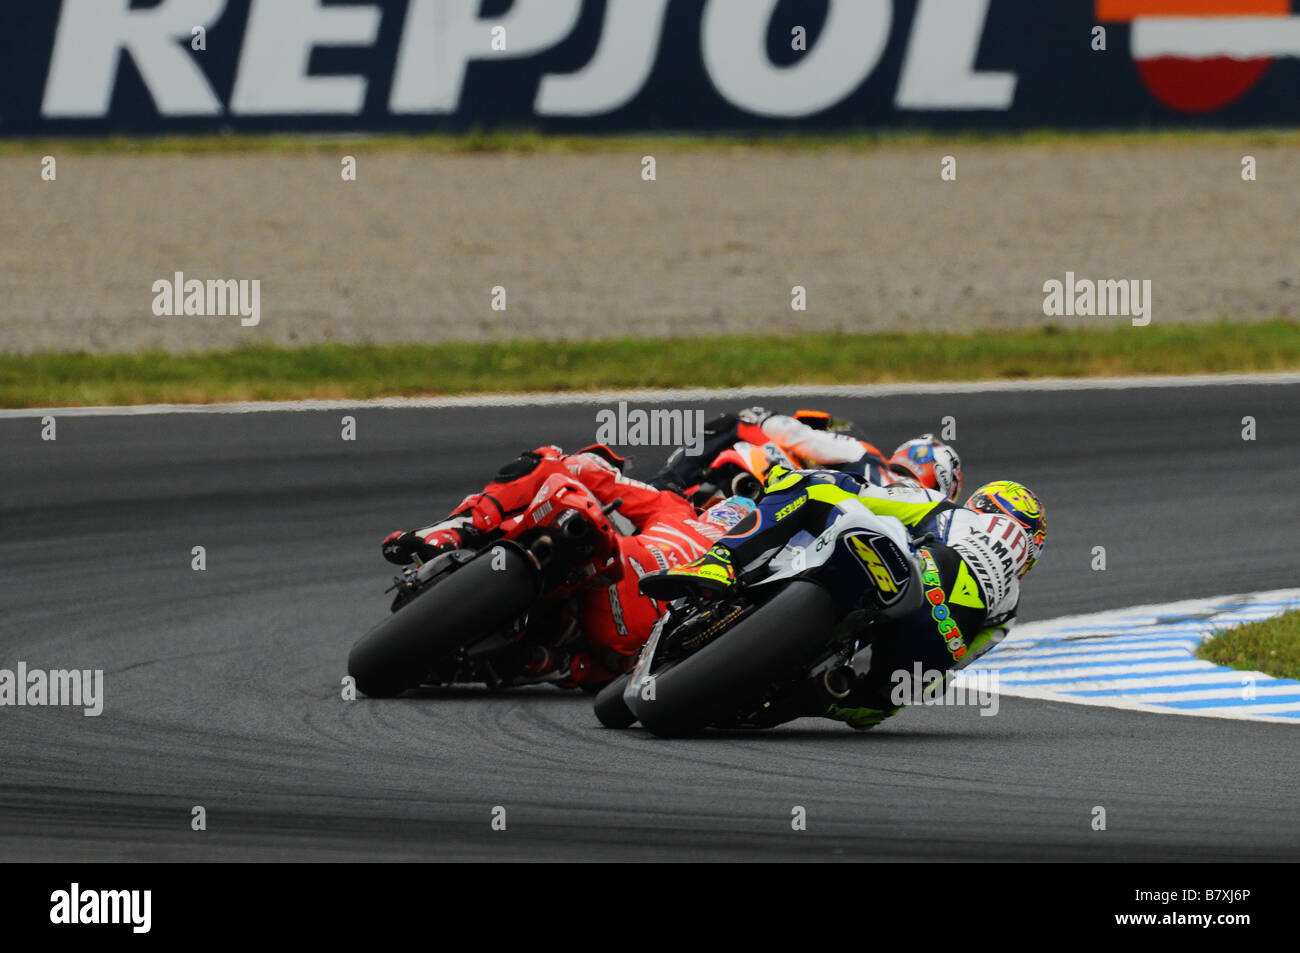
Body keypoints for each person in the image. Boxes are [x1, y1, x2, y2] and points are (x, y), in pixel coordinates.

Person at [639, 466, 1046, 730]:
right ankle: (822, 688)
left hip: (918, 569)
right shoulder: (1010, 607)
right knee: (865, 709)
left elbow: (868, 495)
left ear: (982, 504)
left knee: (808, 486)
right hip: (935, 642)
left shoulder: (949, 511)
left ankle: (720, 561)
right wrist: (888, 698)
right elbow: (954, 665)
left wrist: (830, 481)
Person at [380, 444, 753, 688]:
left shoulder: (680, 513)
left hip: (638, 633)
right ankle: (461, 532)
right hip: (618, 616)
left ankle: (550, 661)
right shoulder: (676, 508)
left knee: (558, 462)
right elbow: (593, 477)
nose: (736, 505)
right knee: (562, 472)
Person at [649, 406, 964, 502]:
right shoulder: (932, 530)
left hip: (793, 502)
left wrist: (767, 419)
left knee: (744, 421)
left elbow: (796, 436)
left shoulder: (868, 457)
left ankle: (668, 483)